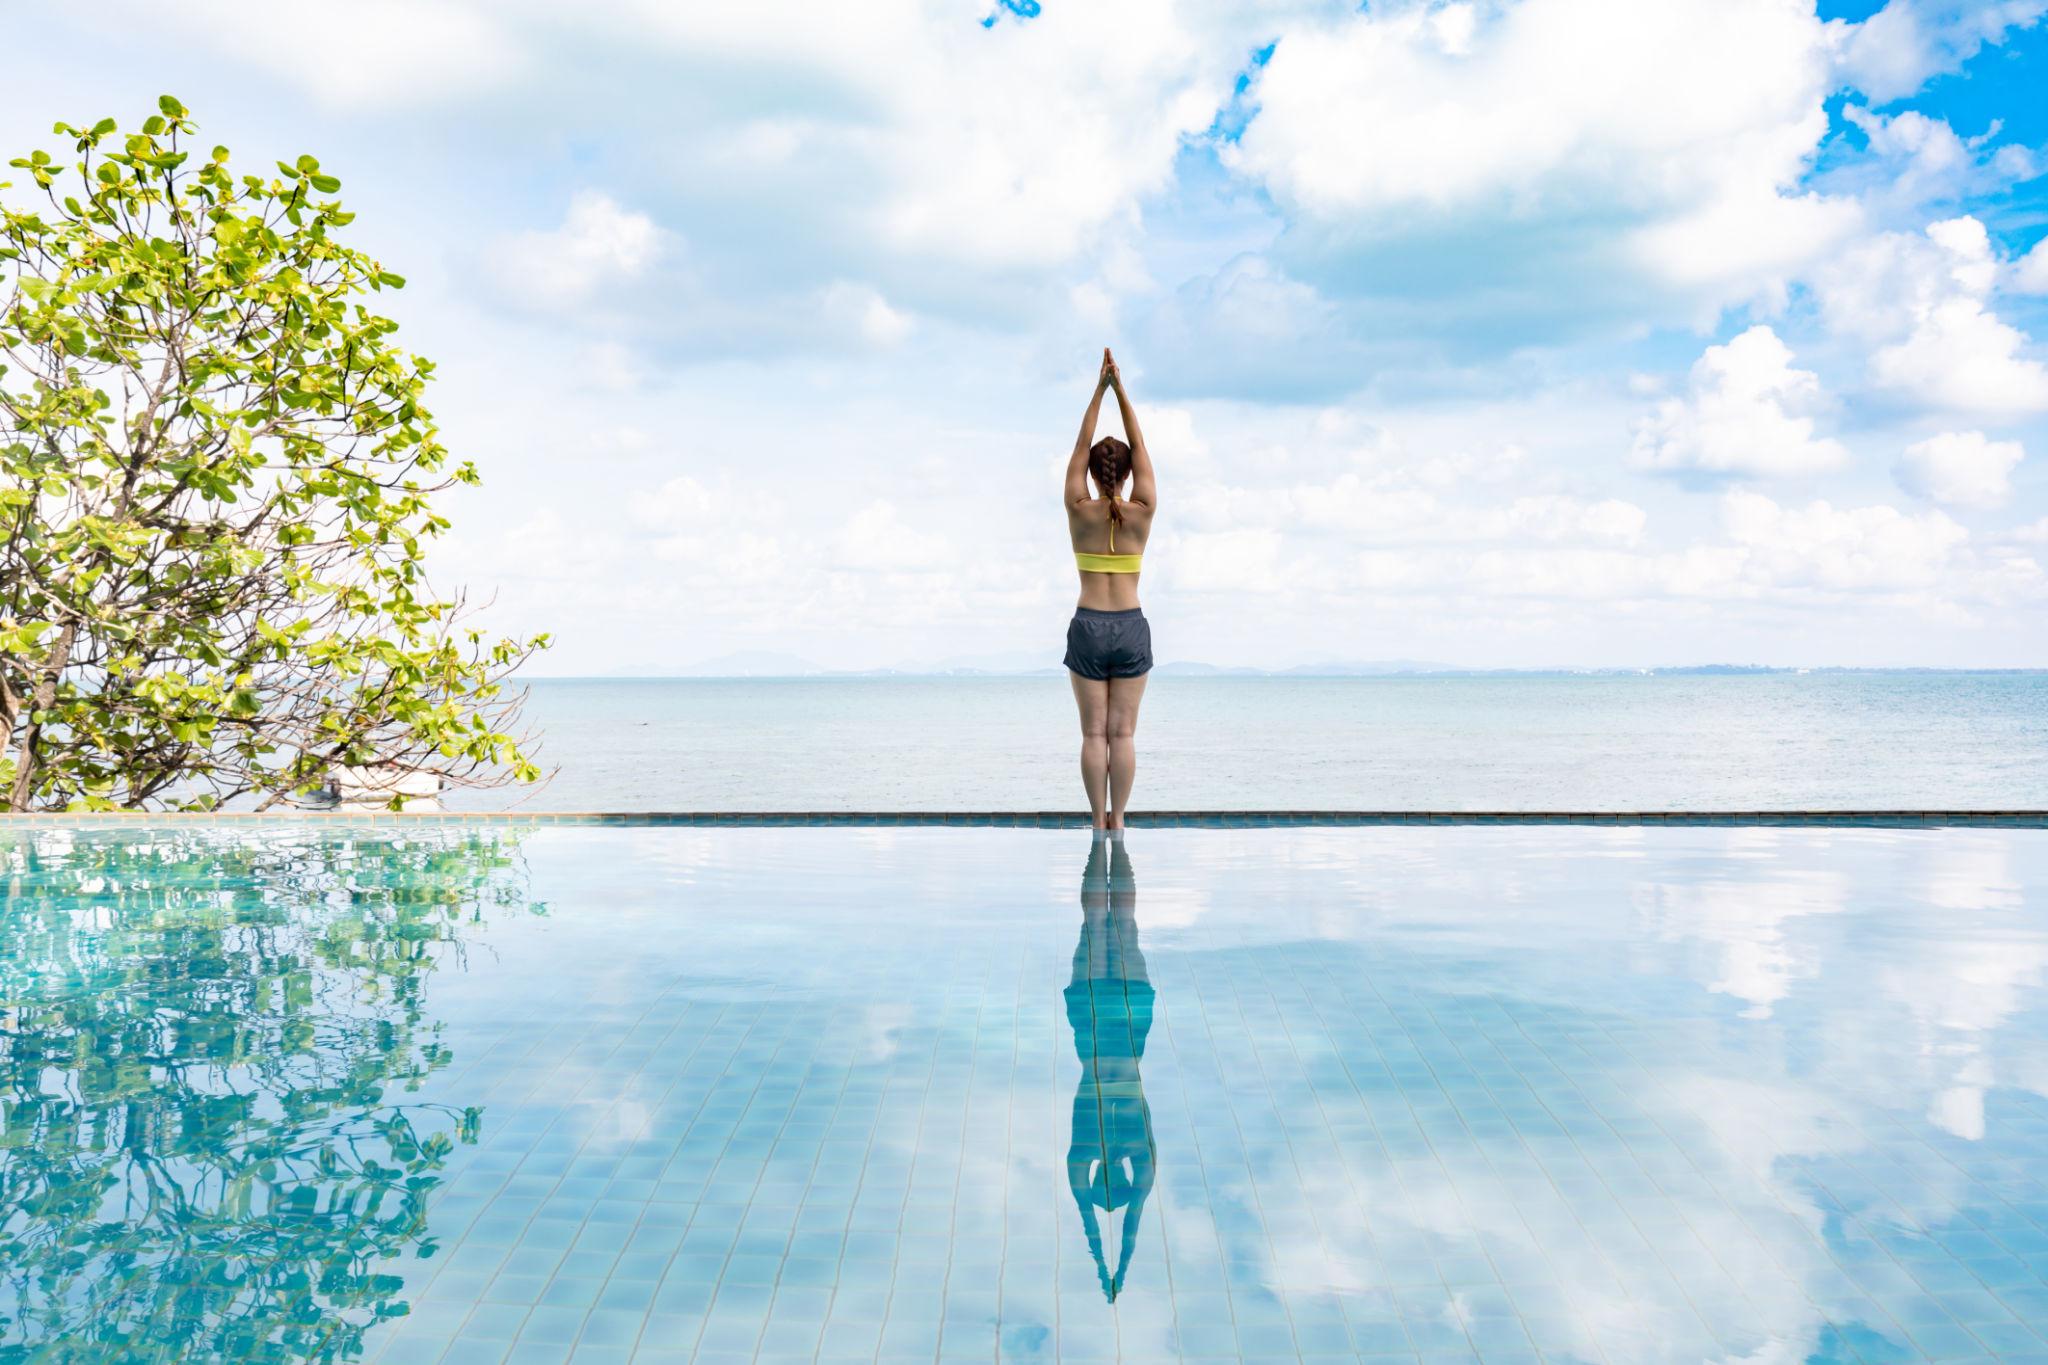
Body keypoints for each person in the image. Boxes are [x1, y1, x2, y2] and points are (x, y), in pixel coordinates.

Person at [1062, 347, 1157, 833]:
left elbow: (1080, 447)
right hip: (1130, 625)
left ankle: (1096, 820)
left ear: (1096, 472)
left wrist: (1098, 391)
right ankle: (1118, 820)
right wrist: (1123, 391)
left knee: (1093, 733)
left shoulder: (1079, 508)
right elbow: (1141, 451)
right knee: (1123, 734)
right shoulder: (1142, 510)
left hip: (1089, 625)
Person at [1064, 835, 1156, 1302]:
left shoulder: (1140, 1152)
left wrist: (1112, 1264)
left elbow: (1133, 1211)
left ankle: (1109, 838)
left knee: (1117, 922)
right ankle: (1110, 836)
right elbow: (1087, 1208)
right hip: (1092, 1022)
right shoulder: (1082, 1150)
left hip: (1127, 1020)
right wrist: (1105, 1262)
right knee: (1100, 922)